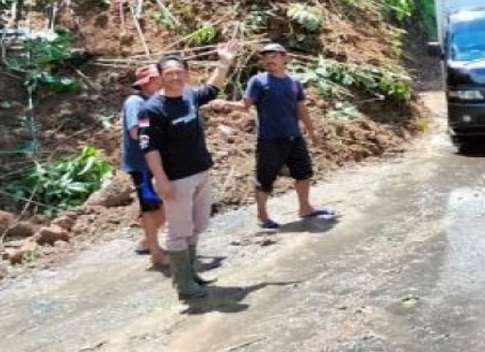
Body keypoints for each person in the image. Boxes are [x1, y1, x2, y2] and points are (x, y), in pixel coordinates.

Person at [139, 43, 238, 300]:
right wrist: (160, 179)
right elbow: (150, 148)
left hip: (201, 172)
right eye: (169, 73)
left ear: (186, 73)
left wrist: (224, 63)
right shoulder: (151, 109)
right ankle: (183, 285)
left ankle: (191, 273)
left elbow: (212, 88)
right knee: (178, 230)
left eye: (179, 72)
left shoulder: (189, 96)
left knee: (197, 225)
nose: (175, 77)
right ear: (160, 76)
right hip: (176, 178)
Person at [214, 43, 332, 230]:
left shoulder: (294, 82)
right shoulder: (258, 81)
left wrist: (312, 131)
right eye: (266, 56)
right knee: (265, 178)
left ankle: (305, 208)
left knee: (303, 173)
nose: (269, 59)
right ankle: (262, 216)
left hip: (294, 136)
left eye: (274, 55)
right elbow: (245, 106)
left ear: (285, 58)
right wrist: (225, 103)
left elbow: (301, 108)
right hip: (269, 139)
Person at [121, 64, 166, 267]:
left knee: (161, 203)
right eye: (158, 78)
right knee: (150, 205)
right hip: (142, 164)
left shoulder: (153, 100)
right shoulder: (136, 102)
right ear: (148, 81)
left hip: (155, 161)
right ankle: (154, 248)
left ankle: (149, 241)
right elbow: (135, 131)